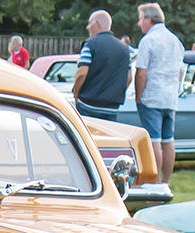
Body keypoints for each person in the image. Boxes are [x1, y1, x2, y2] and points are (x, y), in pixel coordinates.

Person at [133, 3, 184, 183]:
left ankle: (152, 182)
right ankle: (166, 180)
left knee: (154, 140)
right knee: (168, 140)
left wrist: (138, 96)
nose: (139, 24)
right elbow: (180, 71)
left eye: (140, 19)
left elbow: (141, 72)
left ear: (148, 19)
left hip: (152, 96)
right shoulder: (175, 40)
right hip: (170, 97)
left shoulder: (148, 40)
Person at [72, 10, 131, 121]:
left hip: (88, 105)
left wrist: (76, 93)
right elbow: (128, 77)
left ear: (97, 23)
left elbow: (82, 73)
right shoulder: (124, 49)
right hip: (112, 107)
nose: (87, 27)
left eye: (89, 23)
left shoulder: (90, 44)